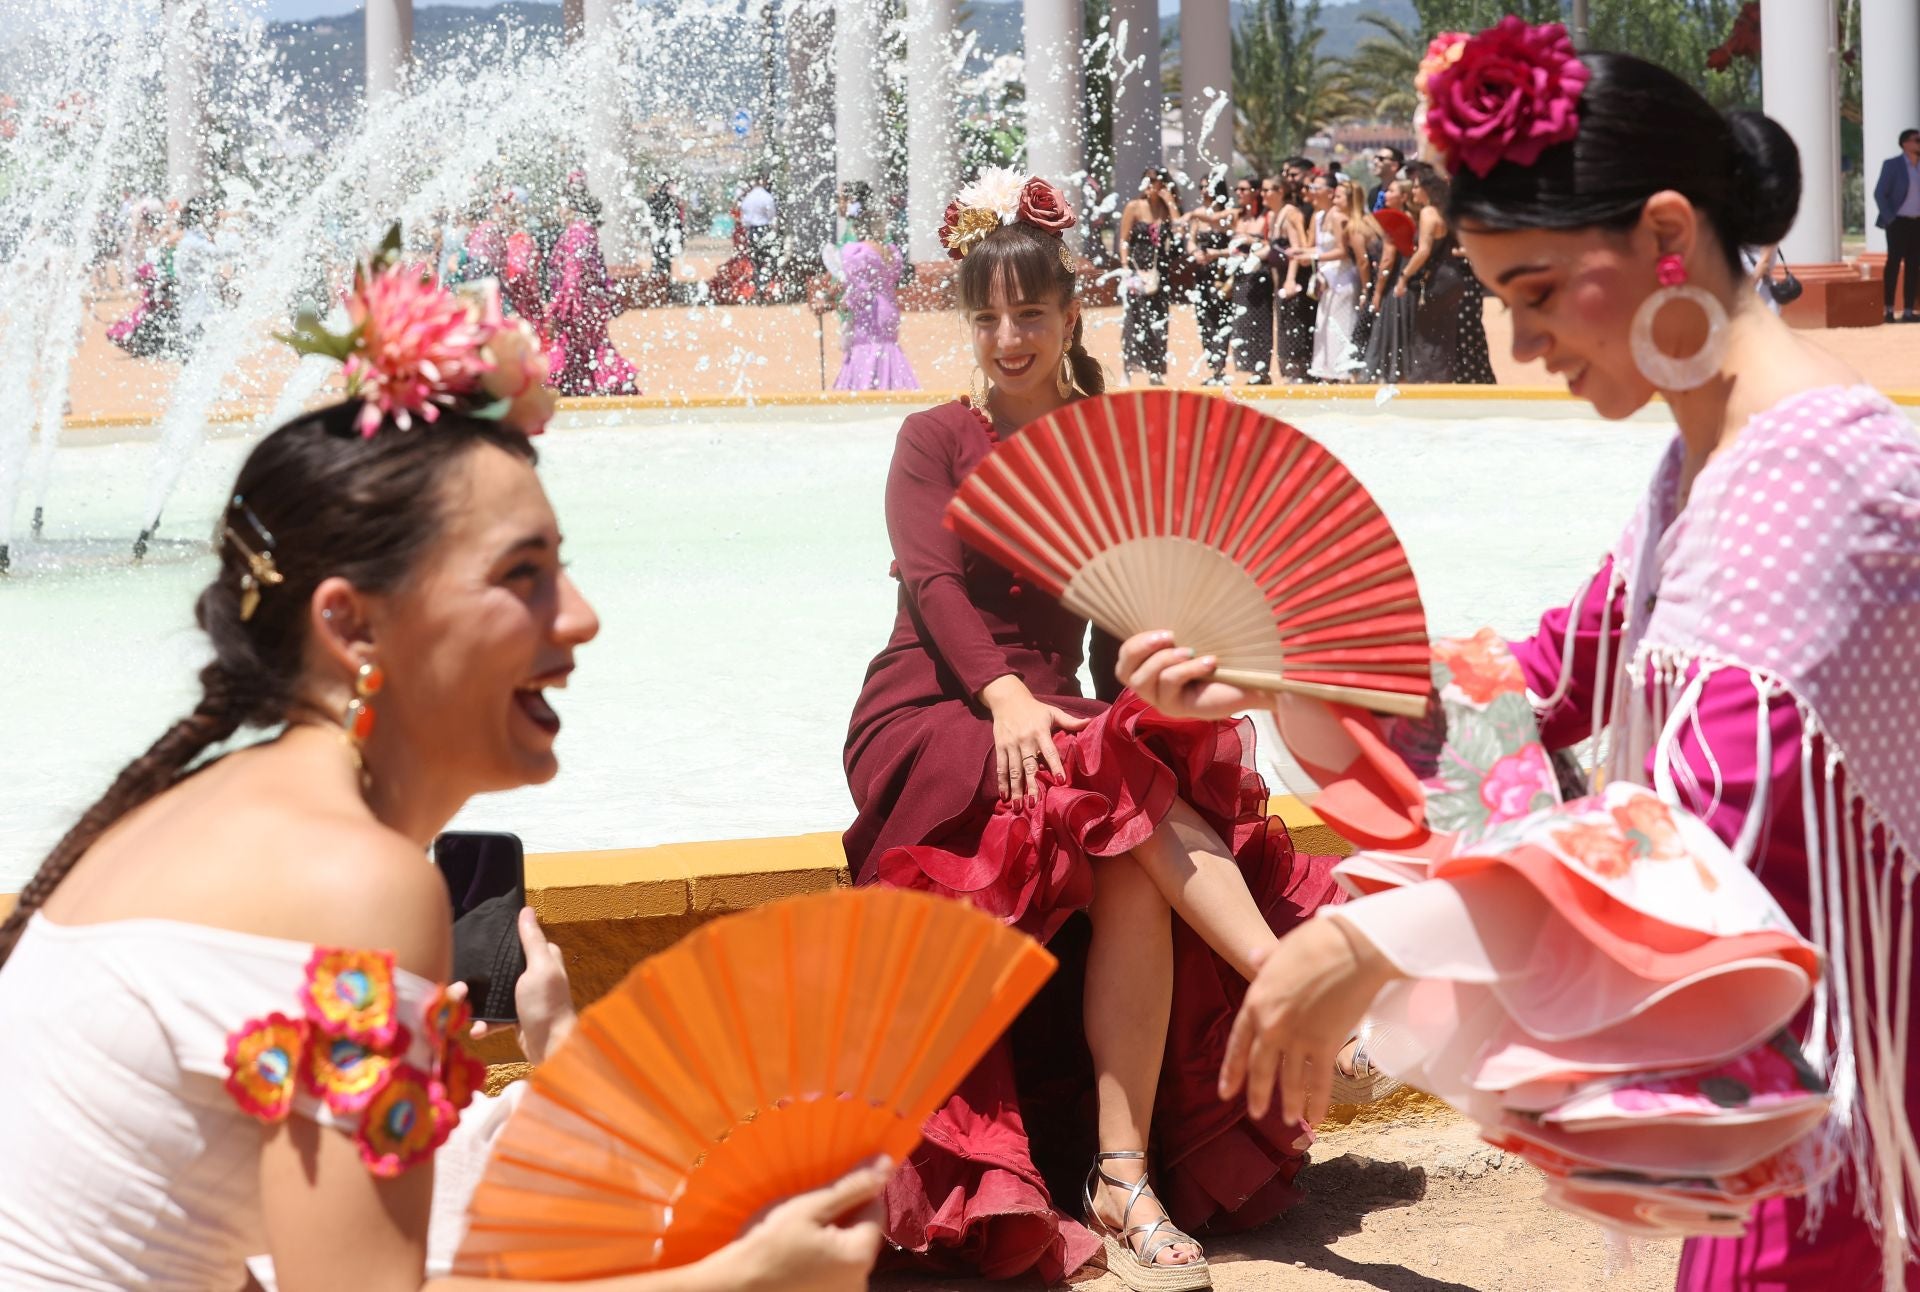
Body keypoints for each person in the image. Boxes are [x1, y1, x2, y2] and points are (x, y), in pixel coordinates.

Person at [1120, 27, 1920, 1292]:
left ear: (1668, 230)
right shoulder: (1709, 463)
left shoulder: (1817, 480)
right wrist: (1274, 670)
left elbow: (1689, 843)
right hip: (1811, 1101)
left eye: (1540, 292)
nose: (1527, 346)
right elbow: (1541, 686)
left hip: (1867, 1122)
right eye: (1506, 302)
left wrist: (1369, 943)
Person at [0, 260, 887, 1290]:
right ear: (350, 622)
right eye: (524, 575)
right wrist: (739, 1277)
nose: (582, 614)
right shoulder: (357, 881)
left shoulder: (197, 815)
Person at [843, 171, 1347, 1291]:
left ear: (1073, 312)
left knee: (1127, 841)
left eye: (1029, 313)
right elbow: (934, 587)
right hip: (934, 709)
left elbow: (1139, 621)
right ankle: (1281, 976)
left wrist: (1193, 683)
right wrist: (1004, 697)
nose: (1006, 337)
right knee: (1113, 776)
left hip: (1065, 718)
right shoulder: (933, 437)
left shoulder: (1102, 445)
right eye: (985, 316)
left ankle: (1122, 1175)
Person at [545, 182, 641, 396]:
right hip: (588, 303)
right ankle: (590, 387)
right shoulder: (586, 231)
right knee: (590, 348)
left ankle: (580, 388)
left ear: (573, 206)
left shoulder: (577, 232)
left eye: (560, 205)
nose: (558, 211)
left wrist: (561, 307)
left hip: (577, 304)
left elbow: (574, 274)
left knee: (573, 347)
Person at [831, 192, 918, 391]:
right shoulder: (890, 251)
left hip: (869, 312)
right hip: (889, 309)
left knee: (865, 350)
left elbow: (860, 289)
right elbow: (892, 280)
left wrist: (846, 302)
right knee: (888, 349)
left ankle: (863, 388)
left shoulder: (857, 251)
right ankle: (892, 387)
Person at [1295, 173, 1362, 382]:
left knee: (1340, 325)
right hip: (1327, 278)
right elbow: (1321, 247)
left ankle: (1342, 372)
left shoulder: (1338, 218)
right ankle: (1327, 371)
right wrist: (1305, 254)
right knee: (1324, 325)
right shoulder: (1320, 217)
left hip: (1342, 279)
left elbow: (1342, 251)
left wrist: (1313, 255)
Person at [1117, 167, 1178, 385]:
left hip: (1159, 272)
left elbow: (1179, 232)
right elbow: (1123, 240)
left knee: (1158, 321)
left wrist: (1170, 203)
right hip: (1136, 270)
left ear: (1163, 185)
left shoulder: (1165, 209)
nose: (1150, 184)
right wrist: (1125, 268)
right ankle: (1129, 368)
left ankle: (1155, 370)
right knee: (1134, 319)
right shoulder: (1133, 207)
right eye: (1147, 180)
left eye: (1155, 181)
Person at [1362, 179, 1418, 382]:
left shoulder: (1395, 222)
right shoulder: (1415, 218)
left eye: (1391, 191)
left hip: (1395, 286)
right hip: (1411, 284)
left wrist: (1377, 293)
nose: (1385, 194)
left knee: (1389, 334)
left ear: (1403, 197)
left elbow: (1387, 260)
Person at [1183, 177, 1236, 385]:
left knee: (1223, 319)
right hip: (1202, 274)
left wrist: (1216, 253)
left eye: (1209, 187)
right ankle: (1214, 369)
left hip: (1223, 275)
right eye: (1202, 186)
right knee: (1205, 321)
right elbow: (1190, 241)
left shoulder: (1229, 214)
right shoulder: (1198, 217)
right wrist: (1195, 252)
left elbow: (1234, 245)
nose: (1204, 190)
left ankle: (1221, 369)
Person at [1225, 175, 1276, 383]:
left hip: (1260, 274)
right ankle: (1250, 368)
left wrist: (1251, 241)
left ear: (1255, 192)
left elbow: (1272, 243)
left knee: (1260, 321)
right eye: (1237, 189)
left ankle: (1262, 371)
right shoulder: (1239, 216)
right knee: (1243, 322)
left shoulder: (1267, 216)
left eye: (1244, 189)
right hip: (1240, 274)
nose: (1239, 193)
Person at [1265, 175, 1314, 381]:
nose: (1263, 194)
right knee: (1284, 325)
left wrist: (1291, 279)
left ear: (1280, 192)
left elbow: (1296, 248)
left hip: (1293, 279)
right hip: (1280, 278)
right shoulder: (1274, 215)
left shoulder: (1291, 214)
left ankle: (1299, 371)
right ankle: (1289, 371)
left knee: (1295, 324)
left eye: (1268, 190)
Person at [1871, 127, 1920, 323]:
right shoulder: (1892, 165)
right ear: (1905, 144)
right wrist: (1890, 218)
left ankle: (1908, 310)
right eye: (1917, 140)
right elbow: (1879, 193)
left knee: (1913, 266)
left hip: (1917, 223)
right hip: (1897, 222)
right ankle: (1888, 310)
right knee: (1893, 264)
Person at [740, 175, 779, 297]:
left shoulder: (748, 198)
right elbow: (772, 214)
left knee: (755, 261)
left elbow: (744, 217)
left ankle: (758, 287)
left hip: (752, 231)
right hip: (764, 229)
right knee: (768, 259)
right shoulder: (766, 197)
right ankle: (766, 284)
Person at [648, 178, 687, 283]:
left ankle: (661, 283)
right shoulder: (667, 199)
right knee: (662, 260)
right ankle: (662, 283)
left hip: (664, 234)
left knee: (661, 260)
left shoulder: (662, 199)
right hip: (664, 234)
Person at [1368, 146, 1403, 211]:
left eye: (1381, 159)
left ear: (1394, 166)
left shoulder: (1403, 191)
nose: (1375, 162)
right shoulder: (1373, 193)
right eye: (1375, 158)